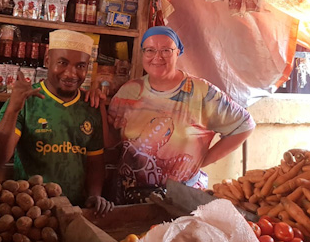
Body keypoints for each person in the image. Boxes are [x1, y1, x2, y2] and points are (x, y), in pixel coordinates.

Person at [89, 26, 255, 203]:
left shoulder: (202, 92)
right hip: (128, 196)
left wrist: (202, 160)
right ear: (142, 54)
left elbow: (244, 125)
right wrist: (97, 106)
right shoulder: (128, 92)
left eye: (166, 50)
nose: (157, 57)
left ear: (178, 52)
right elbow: (111, 142)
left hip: (181, 198)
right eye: (150, 50)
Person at [0, 29, 113, 215]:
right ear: (47, 60)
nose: (71, 73)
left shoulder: (90, 105)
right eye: (62, 63)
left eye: (80, 66)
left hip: (76, 211)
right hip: (30, 213)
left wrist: (95, 194)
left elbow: (95, 161)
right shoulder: (26, 101)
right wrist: (13, 109)